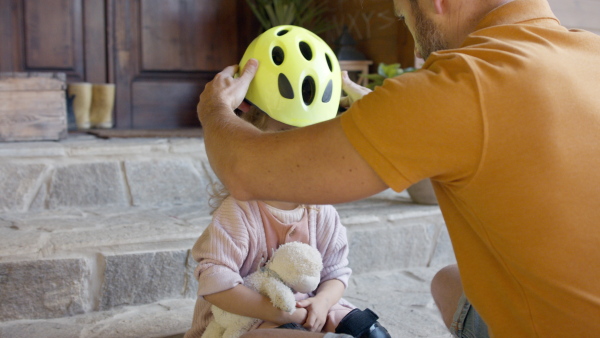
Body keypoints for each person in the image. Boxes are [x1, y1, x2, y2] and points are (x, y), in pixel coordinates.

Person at [197, 0, 600, 336]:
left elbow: (244, 170)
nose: (417, 45)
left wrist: (214, 108)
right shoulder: (590, 54)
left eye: (405, 18)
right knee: (448, 283)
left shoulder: (460, 85)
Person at [184, 26, 391, 338]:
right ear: (249, 136)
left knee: (367, 329)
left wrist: (321, 303)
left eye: (311, 142)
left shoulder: (321, 210)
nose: (298, 155)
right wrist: (281, 312)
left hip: (306, 309)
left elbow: (336, 273)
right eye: (283, 139)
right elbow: (215, 282)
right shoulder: (239, 212)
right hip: (243, 317)